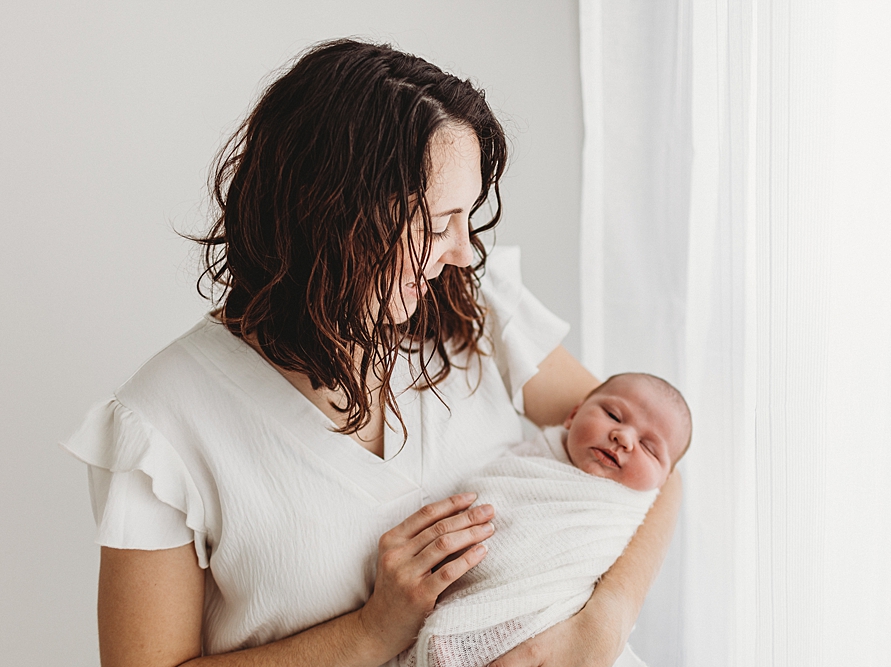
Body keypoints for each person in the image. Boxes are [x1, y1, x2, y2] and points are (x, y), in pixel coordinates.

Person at [61, 39, 683, 667]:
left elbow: (659, 458)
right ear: (333, 217)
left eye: (466, 218)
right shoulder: (161, 429)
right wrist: (373, 630)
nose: (464, 252)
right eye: (436, 224)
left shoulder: (473, 307)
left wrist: (606, 621)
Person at [396, 373, 691, 667]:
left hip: (552, 624)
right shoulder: (531, 460)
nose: (623, 437)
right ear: (573, 415)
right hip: (478, 602)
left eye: (649, 447)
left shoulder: (629, 508)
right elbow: (492, 501)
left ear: (663, 480)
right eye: (613, 415)